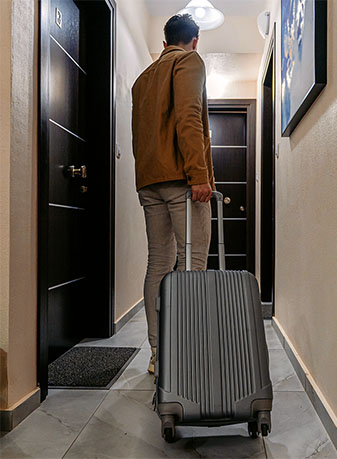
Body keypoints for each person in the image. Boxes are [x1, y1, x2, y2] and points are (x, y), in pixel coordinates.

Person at [131, 14, 214, 374]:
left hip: (149, 180)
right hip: (182, 179)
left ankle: (157, 355)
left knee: (158, 263)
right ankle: (188, 352)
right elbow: (189, 117)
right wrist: (199, 174)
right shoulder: (190, 60)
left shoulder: (143, 78)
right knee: (193, 264)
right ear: (194, 40)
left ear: (164, 43)